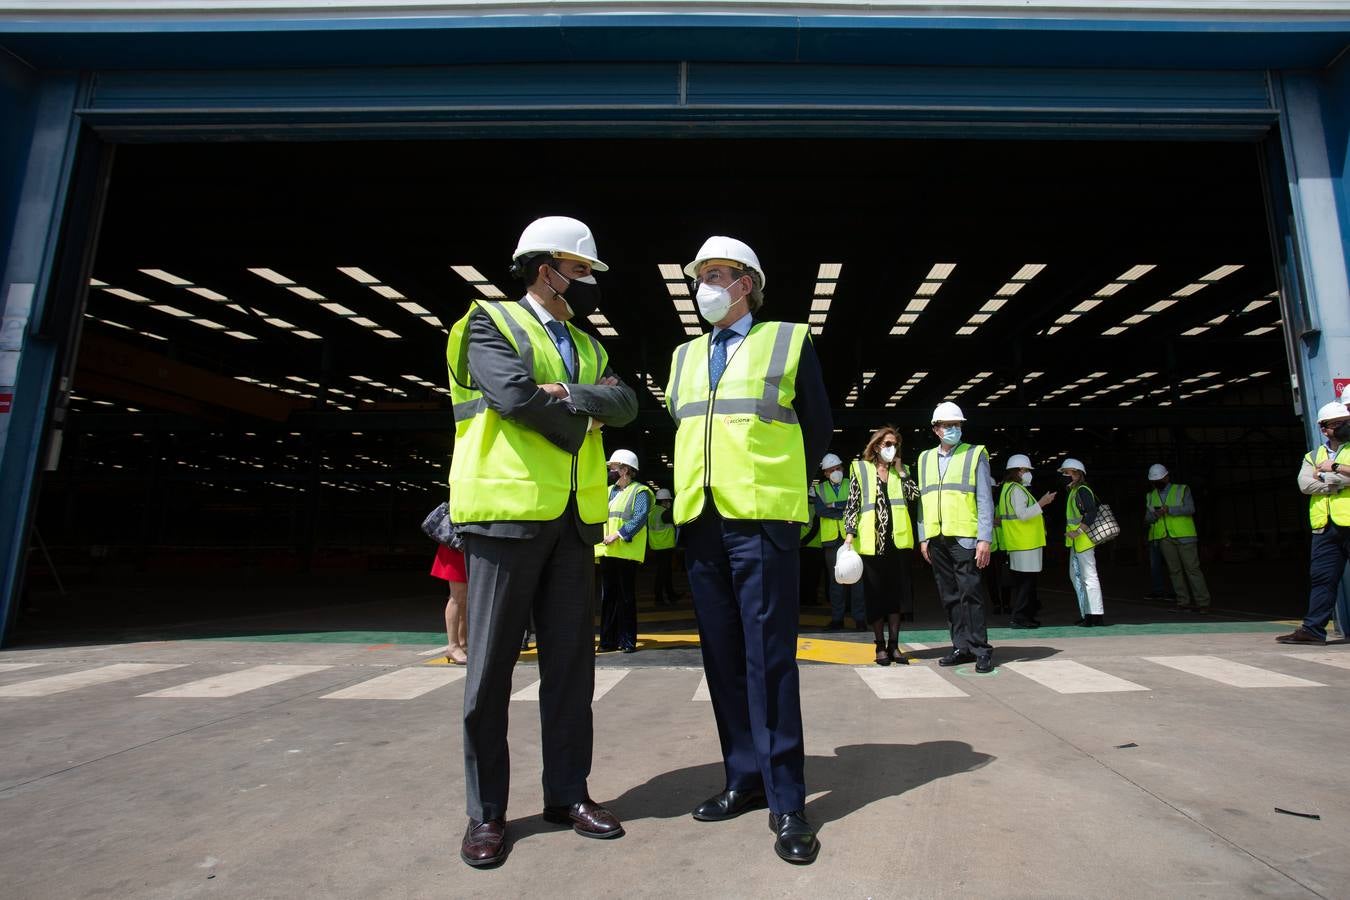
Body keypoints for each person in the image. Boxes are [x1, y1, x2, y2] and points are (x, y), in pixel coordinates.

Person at [446, 215, 638, 867]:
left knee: (570, 671)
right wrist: (582, 407)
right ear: (543, 268)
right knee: (490, 673)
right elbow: (513, 396)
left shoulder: (589, 345)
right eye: (581, 270)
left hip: (574, 521)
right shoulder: (487, 323)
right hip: (506, 515)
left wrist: (571, 393)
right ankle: (487, 814)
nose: (587, 283)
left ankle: (567, 794)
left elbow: (628, 404)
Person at [665, 235, 832, 865]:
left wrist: (776, 485)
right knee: (722, 658)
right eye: (701, 274)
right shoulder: (683, 356)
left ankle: (789, 798)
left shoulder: (788, 341)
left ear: (748, 284)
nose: (707, 284)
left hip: (760, 520)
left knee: (770, 660)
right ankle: (744, 777)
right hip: (700, 519)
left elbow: (816, 428)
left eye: (720, 274)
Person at [916, 402, 996, 673]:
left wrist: (985, 538)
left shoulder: (975, 454)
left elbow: (985, 499)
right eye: (948, 426)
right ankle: (961, 646)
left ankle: (980, 648)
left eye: (957, 425)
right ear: (936, 429)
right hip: (937, 537)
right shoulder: (924, 458)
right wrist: (923, 536)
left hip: (965, 537)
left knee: (970, 593)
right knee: (949, 595)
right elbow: (923, 500)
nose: (954, 429)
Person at [1276, 401, 1350, 645]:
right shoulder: (1313, 456)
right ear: (1323, 428)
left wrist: (1332, 470)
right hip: (1325, 527)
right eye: (1336, 424)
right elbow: (1305, 484)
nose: (1342, 427)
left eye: (1345, 422)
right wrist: (1337, 480)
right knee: (1322, 578)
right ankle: (1313, 630)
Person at [842, 426, 916, 665]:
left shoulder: (900, 471)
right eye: (887, 444)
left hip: (896, 543)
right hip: (871, 544)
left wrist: (901, 470)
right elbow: (852, 504)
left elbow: (914, 495)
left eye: (895, 444)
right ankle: (879, 646)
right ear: (876, 446)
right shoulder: (861, 469)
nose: (892, 448)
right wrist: (850, 534)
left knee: (895, 597)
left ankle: (894, 645)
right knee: (874, 596)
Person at [597, 449, 653, 653]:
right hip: (607, 552)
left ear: (626, 469)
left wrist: (618, 534)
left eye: (614, 467)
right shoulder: (608, 491)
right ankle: (607, 641)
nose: (610, 470)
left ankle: (627, 641)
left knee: (626, 598)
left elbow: (639, 517)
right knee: (608, 598)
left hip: (625, 551)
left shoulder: (640, 492)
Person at [1144, 464, 1211, 613]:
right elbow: (1147, 519)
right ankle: (1183, 602)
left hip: (1185, 536)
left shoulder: (1182, 490)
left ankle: (1203, 603)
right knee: (1175, 571)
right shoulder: (1150, 495)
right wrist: (1156, 514)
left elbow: (1190, 508)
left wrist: (1170, 510)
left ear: (1167, 477)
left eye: (1159, 479)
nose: (1157, 483)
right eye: (1154, 481)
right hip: (1164, 538)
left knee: (1192, 569)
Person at [997, 454, 1054, 629]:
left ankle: (1026, 616)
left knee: (1024, 582)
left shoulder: (1007, 488)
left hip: (1018, 542)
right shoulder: (1016, 489)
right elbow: (1023, 515)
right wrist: (1042, 503)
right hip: (1025, 542)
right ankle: (1019, 617)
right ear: (1019, 471)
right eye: (1026, 470)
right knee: (1026, 583)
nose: (1028, 473)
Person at [817, 453, 867, 630]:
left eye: (838, 468)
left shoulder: (851, 484)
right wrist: (844, 507)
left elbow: (857, 505)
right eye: (831, 470)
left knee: (857, 578)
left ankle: (860, 618)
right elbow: (821, 511)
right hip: (832, 540)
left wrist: (834, 506)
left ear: (843, 469)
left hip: (851, 537)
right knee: (835, 579)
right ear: (825, 473)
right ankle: (837, 618)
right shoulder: (820, 489)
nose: (835, 472)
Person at [1059, 458, 1106, 626]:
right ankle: (1087, 612)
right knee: (1078, 576)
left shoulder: (1082, 490)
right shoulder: (1074, 491)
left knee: (1088, 576)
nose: (1065, 475)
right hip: (1077, 542)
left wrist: (1078, 531)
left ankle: (1095, 614)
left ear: (1078, 473)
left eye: (1067, 472)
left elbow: (1091, 512)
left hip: (1083, 540)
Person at [431, 542, 469, 664]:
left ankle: (463, 644)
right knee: (458, 595)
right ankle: (453, 646)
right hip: (457, 545)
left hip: (468, 545)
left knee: (465, 597)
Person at [647, 488, 680, 605]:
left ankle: (671, 594)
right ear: (665, 501)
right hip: (665, 546)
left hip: (656, 546)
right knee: (663, 573)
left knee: (665, 572)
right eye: (669, 501)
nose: (669, 503)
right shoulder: (665, 513)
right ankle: (659, 597)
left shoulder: (652, 511)